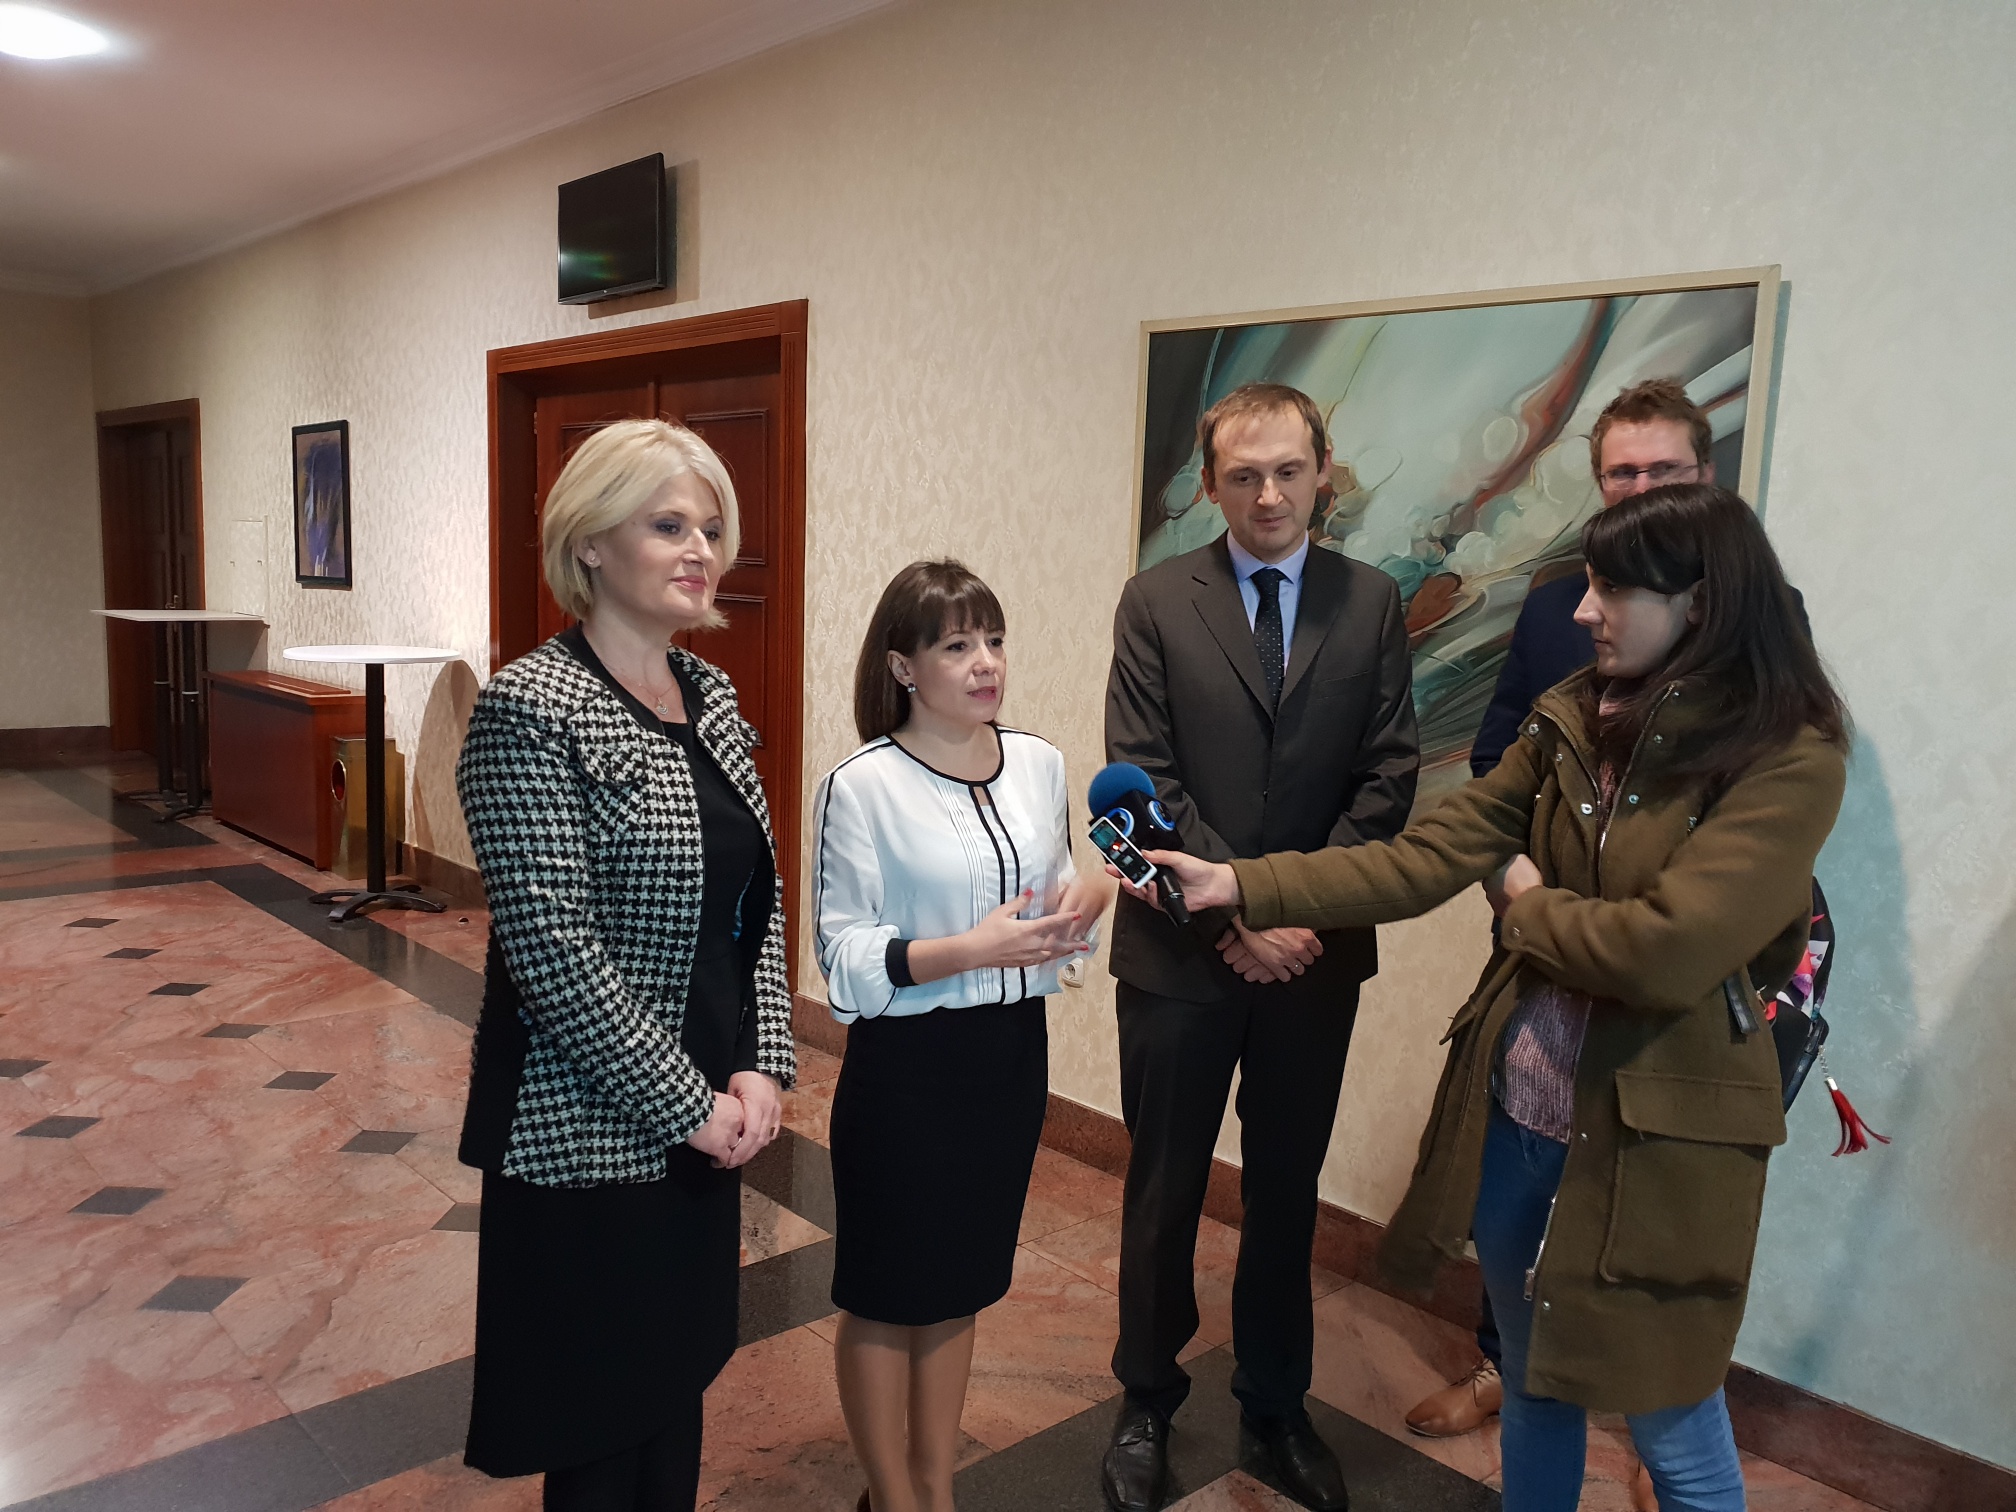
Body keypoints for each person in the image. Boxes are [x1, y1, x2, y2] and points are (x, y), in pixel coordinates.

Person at [1129, 483, 1850, 1512]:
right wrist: (1241, 883)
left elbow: (1663, 952)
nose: (1585, 611)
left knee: (1675, 1426)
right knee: (1531, 1380)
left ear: (1700, 603)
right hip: (1525, 1113)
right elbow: (1428, 855)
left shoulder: (1789, 757)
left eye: (1611, 589)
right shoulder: (1572, 720)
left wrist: (1524, 903)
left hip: (1663, 1142)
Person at [455, 419, 794, 1511]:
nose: (700, 548)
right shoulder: (529, 710)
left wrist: (762, 1068)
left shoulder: (716, 698)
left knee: (671, 1397)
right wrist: (686, 1102)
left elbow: (758, 909)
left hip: (708, 1110)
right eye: (667, 524)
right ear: (591, 544)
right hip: (585, 1124)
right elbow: (554, 957)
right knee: (599, 1427)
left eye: (709, 526)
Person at [1100, 383, 1419, 1512]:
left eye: (1288, 470)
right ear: (1209, 483)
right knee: (1164, 1190)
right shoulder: (1155, 601)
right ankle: (1144, 1399)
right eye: (1244, 475)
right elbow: (1141, 784)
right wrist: (1241, 916)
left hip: (1315, 960)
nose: (1268, 494)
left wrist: (1298, 915)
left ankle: (1277, 1406)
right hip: (1180, 958)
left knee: (1287, 1191)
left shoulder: (1373, 601)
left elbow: (1388, 780)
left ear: (1325, 468)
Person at [1409, 377, 1722, 1456]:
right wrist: (1512, 878)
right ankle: (1507, 1369)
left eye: (1662, 472)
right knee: (1517, 1196)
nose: (1639, 491)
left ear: (1706, 477)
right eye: (1620, 474)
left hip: (1662, 990)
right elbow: (1496, 754)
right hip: (1539, 959)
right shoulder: (1556, 604)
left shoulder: (1752, 621)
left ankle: (1653, 1433)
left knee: (1643, 1224)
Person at [813, 560, 1114, 1512]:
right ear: (904, 667)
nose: (985, 663)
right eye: (956, 645)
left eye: (993, 640)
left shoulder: (1038, 763)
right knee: (885, 1288)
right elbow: (845, 958)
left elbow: (1061, 897)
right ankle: (891, 1497)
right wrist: (964, 949)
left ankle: (935, 1491)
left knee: (959, 1283)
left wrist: (1087, 900)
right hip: (908, 1068)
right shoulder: (862, 786)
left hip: (1011, 1058)